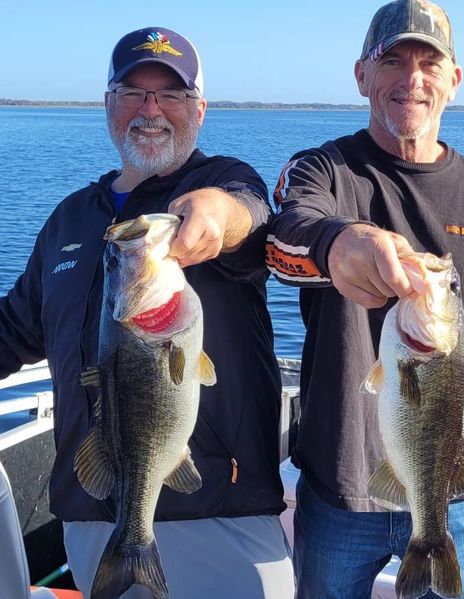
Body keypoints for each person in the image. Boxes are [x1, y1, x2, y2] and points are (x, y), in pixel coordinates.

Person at [267, 1, 464, 597]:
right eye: (393, 60)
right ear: (362, 76)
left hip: (458, 496)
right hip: (338, 488)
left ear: (454, 79)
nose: (412, 79)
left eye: (430, 63)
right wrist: (342, 242)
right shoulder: (322, 172)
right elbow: (283, 239)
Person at [0, 27, 294, 599]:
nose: (150, 110)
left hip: (220, 513)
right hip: (93, 523)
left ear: (200, 110)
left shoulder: (222, 180)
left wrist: (216, 212)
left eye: (172, 95)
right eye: (133, 93)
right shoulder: (69, 218)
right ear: (108, 105)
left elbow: (248, 216)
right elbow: (13, 330)